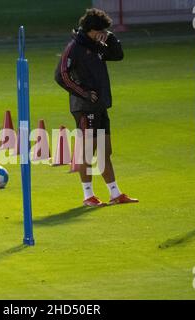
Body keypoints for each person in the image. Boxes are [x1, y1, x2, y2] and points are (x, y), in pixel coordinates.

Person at [55, 8, 138, 207]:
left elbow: (118, 55)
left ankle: (115, 194)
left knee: (105, 151)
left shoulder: (98, 45)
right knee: (87, 152)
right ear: (91, 30)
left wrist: (110, 38)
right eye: (101, 31)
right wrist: (84, 93)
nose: (103, 34)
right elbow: (61, 76)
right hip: (84, 108)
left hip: (100, 106)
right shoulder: (74, 48)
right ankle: (88, 196)